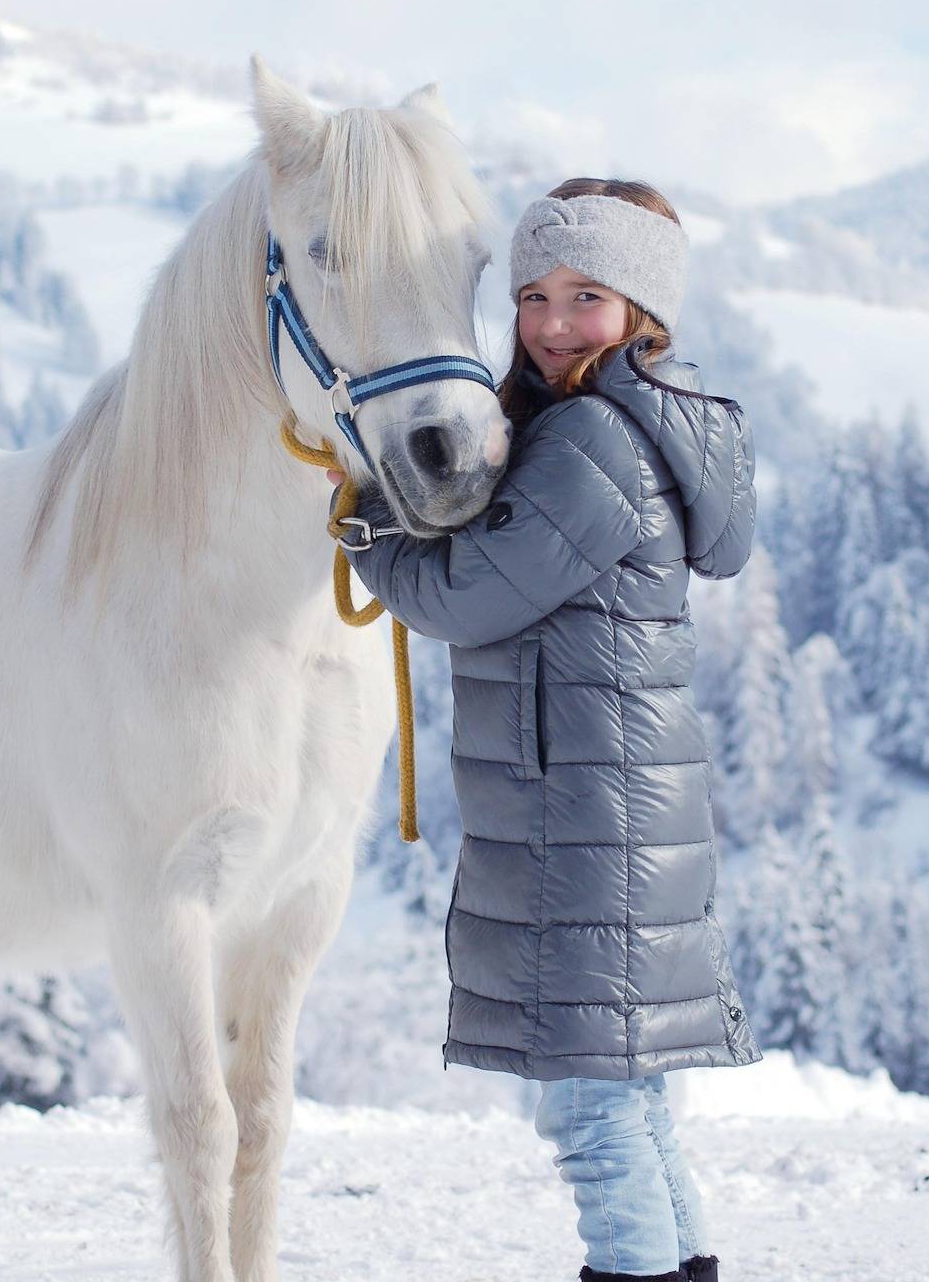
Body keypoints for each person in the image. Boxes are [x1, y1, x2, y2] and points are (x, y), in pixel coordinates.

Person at [324, 177, 763, 1282]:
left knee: (592, 1120)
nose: (552, 323)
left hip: (591, 830)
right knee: (632, 1110)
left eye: (584, 296)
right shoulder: (616, 427)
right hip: (603, 817)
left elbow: (465, 592)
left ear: (641, 310)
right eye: (531, 294)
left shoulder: (595, 445)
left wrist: (365, 524)